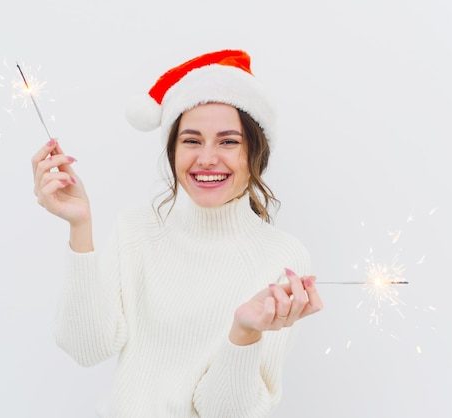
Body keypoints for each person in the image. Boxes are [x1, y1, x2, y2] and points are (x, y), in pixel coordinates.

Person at [31, 49, 323, 418]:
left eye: (228, 141)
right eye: (191, 140)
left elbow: (223, 412)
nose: (206, 158)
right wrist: (80, 227)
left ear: (256, 153)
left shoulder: (283, 258)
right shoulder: (136, 230)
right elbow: (86, 348)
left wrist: (244, 333)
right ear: (172, 151)